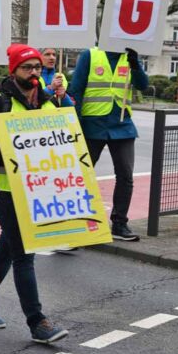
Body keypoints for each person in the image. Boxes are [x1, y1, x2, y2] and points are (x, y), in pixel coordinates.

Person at [0, 44, 71, 344]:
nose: (35, 72)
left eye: (38, 67)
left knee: (9, 248)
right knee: (25, 252)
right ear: (14, 70)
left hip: (37, 188)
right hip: (5, 188)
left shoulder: (50, 101)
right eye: (28, 68)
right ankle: (37, 322)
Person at [69, 46, 148, 241]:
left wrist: (135, 63)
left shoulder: (129, 57)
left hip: (122, 126)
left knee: (125, 176)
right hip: (92, 125)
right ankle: (75, 224)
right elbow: (76, 90)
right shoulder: (91, 55)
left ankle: (119, 224)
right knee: (81, 177)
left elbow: (143, 85)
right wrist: (75, 123)